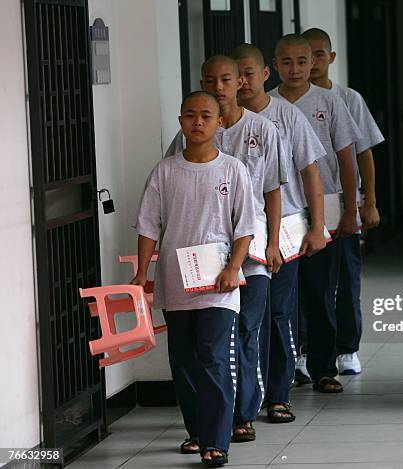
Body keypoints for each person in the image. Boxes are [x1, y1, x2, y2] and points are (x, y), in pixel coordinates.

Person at [132, 91, 256, 466]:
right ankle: (197, 431)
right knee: (184, 361)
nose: (197, 122)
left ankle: (217, 441)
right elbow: (148, 224)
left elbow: (245, 225)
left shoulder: (233, 169)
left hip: (219, 283)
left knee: (215, 358)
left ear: (220, 122)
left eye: (206, 115)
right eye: (190, 115)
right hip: (175, 281)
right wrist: (141, 272)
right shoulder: (166, 170)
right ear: (181, 120)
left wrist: (234, 267)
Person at [166, 55, 286, 442]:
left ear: (240, 82)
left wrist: (272, 243)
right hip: (201, 264)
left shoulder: (263, 130)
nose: (218, 86)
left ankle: (243, 413)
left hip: (249, 255)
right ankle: (214, 421)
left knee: (246, 332)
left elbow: (271, 191)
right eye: (210, 79)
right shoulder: (191, 130)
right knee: (212, 344)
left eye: (225, 79)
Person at [230, 42, 328, 422]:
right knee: (244, 317)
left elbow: (311, 172)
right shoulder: (221, 119)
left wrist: (317, 226)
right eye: (232, 75)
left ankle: (279, 394)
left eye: (247, 73)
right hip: (234, 235)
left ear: (263, 74)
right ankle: (244, 398)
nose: (240, 81)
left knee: (280, 312)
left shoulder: (285, 116)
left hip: (282, 228)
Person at [269, 34, 362, 393]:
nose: (295, 69)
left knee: (322, 288)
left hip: (328, 206)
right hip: (285, 209)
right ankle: (293, 361)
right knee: (286, 291)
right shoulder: (267, 105)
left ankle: (324, 366)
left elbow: (346, 158)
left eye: (302, 61)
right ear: (274, 66)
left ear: (314, 64)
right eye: (286, 62)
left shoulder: (330, 101)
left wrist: (352, 209)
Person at [303, 27, 385, 375]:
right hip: (298, 206)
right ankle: (306, 349)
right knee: (307, 283)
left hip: (339, 201)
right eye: (309, 56)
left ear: (331, 58)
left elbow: (363, 153)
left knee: (346, 277)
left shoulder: (347, 98)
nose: (314, 62)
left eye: (320, 54)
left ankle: (347, 347)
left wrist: (368, 201)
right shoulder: (283, 100)